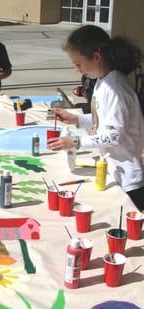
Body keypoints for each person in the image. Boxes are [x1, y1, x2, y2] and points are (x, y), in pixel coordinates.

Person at [48, 25, 144, 211]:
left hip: (129, 180)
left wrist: (75, 141)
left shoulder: (115, 89)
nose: (77, 70)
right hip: (116, 171)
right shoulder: (103, 80)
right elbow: (103, 119)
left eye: (78, 64)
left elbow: (113, 135)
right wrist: (76, 119)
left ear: (97, 57)